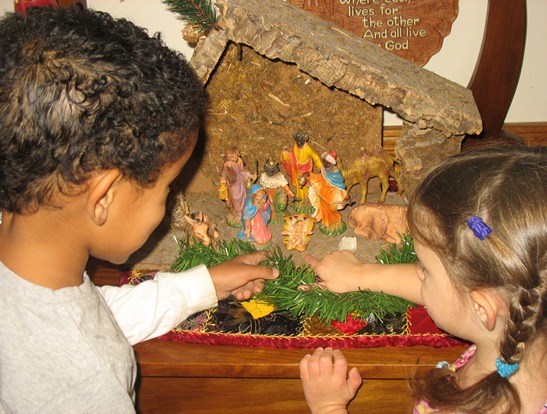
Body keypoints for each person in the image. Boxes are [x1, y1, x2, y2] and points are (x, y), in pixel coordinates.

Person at [0, 7, 278, 413]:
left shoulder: (30, 276)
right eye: (167, 187)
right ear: (104, 198)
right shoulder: (85, 387)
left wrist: (200, 287)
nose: (169, 203)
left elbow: (90, 316)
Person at [300, 146, 547, 414]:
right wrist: (360, 274)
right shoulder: (528, 314)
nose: (417, 272)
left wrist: (328, 406)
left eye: (425, 269)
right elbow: (454, 292)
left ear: (482, 308)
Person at [307, 151, 349, 235]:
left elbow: (340, 184)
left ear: (331, 162)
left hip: (332, 194)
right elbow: (320, 177)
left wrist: (343, 195)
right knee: (324, 208)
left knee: (331, 208)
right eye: (324, 161)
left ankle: (336, 220)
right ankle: (327, 222)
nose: (325, 164)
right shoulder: (323, 169)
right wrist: (311, 176)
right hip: (323, 192)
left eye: (327, 162)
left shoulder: (336, 172)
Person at [280, 131, 322, 211]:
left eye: (300, 141)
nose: (299, 143)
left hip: (306, 170)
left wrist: (320, 167)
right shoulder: (295, 147)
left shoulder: (308, 149)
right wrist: (286, 155)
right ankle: (301, 199)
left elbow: (315, 157)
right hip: (297, 169)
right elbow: (293, 157)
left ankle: (307, 199)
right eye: (297, 141)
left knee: (306, 185)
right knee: (299, 186)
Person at [219, 146, 256, 226]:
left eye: (232, 155)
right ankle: (238, 215)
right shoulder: (227, 165)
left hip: (241, 182)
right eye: (229, 156)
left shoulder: (239, 161)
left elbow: (243, 171)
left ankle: (244, 212)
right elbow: (223, 174)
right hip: (233, 184)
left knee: (244, 197)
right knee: (235, 198)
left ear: (237, 154)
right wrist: (222, 179)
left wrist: (250, 176)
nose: (230, 158)